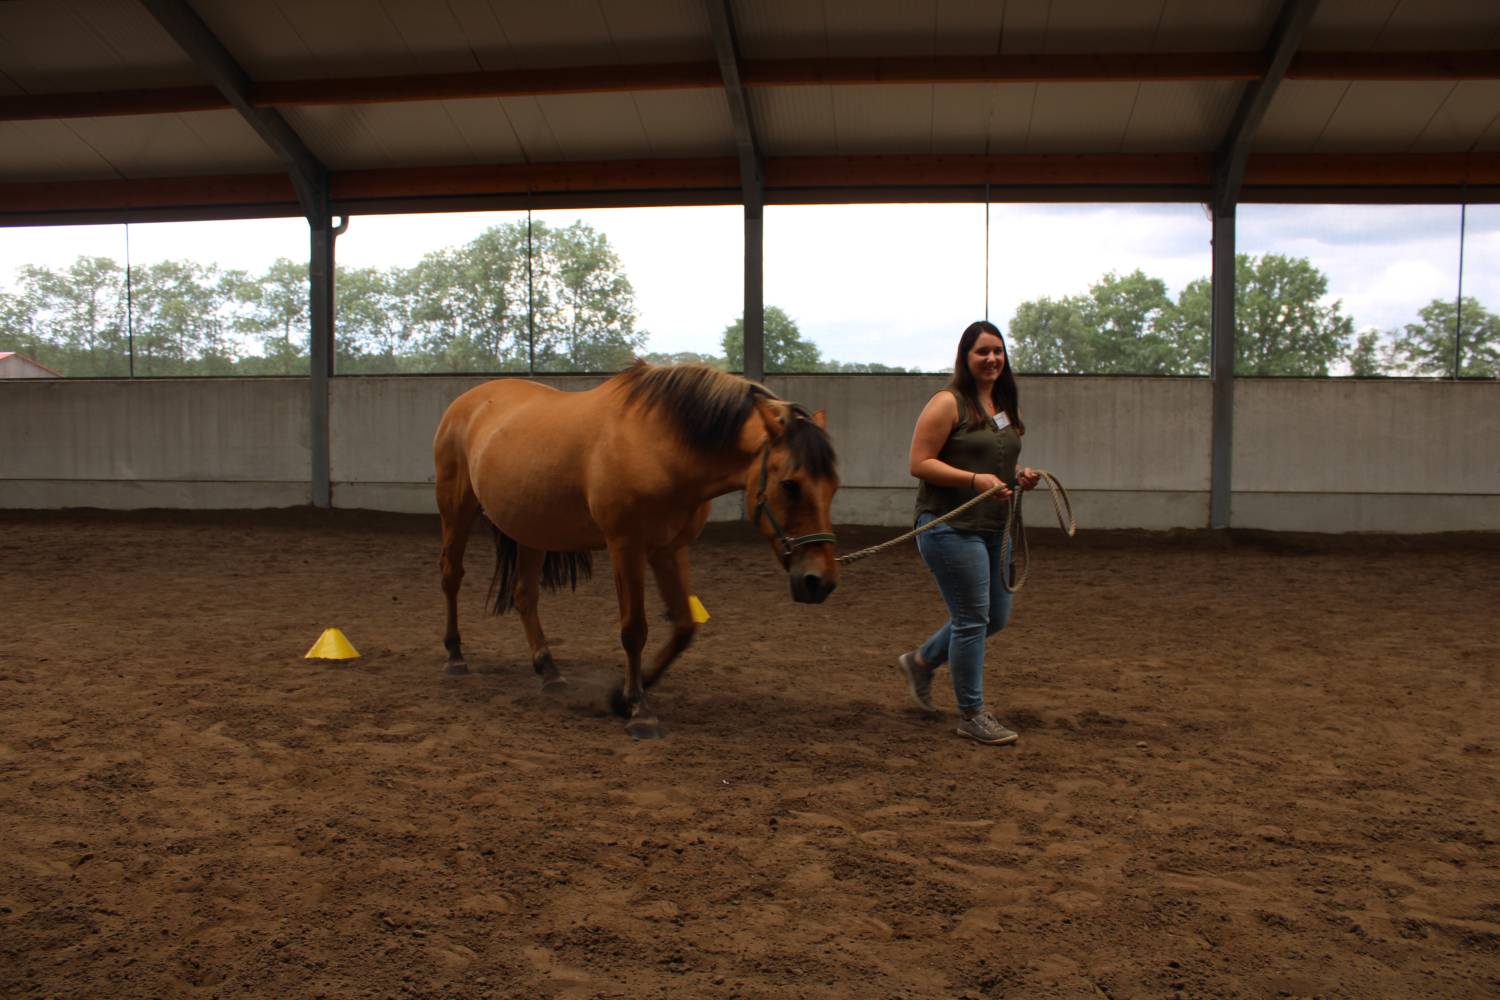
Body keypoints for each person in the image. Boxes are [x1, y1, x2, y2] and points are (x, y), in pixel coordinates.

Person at [896, 320, 1040, 746]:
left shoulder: (1001, 403)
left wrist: (1018, 475)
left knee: (994, 616)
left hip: (996, 525)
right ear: (965, 357)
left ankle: (923, 661)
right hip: (950, 525)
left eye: (997, 351)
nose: (992, 358)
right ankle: (972, 713)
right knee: (972, 619)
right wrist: (977, 481)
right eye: (982, 352)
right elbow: (919, 463)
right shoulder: (946, 402)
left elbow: (993, 459)